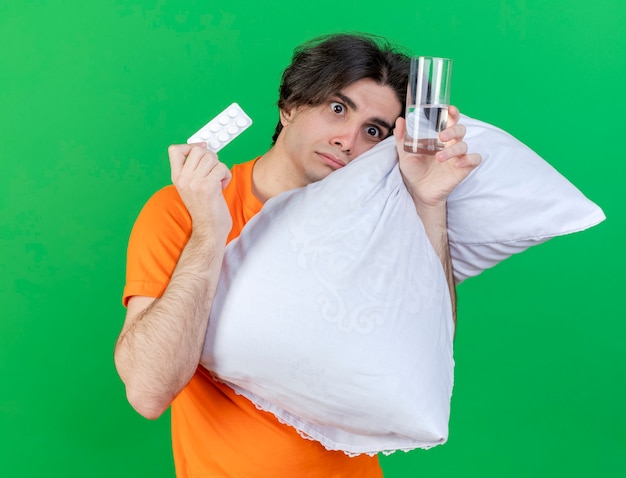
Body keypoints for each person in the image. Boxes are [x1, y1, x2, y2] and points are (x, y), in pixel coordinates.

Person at [114, 33, 481, 477]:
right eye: (338, 108)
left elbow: (424, 352)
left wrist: (428, 202)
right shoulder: (183, 211)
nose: (348, 140)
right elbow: (148, 392)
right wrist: (211, 230)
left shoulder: (375, 221)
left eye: (373, 131)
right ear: (289, 106)